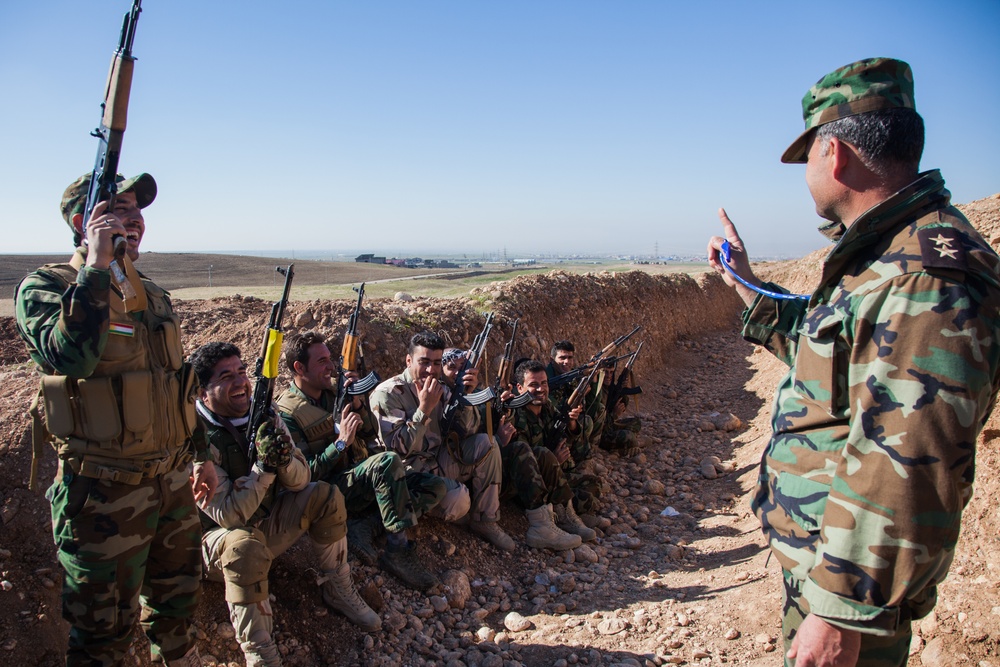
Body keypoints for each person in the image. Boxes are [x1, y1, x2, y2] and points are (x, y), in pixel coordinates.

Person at [706, 57, 1000, 667]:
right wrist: (743, 281)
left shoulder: (926, 277)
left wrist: (842, 612)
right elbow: (832, 362)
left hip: (851, 599)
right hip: (831, 574)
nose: (806, 173)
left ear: (834, 154)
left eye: (808, 154)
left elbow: (907, 458)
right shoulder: (884, 257)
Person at [14, 172, 215, 666]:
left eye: (137, 211)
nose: (135, 221)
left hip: (170, 485)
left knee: (177, 609)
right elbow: (71, 357)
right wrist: (97, 268)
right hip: (103, 495)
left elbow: (177, 385)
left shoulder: (152, 294)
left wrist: (202, 455)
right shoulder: (46, 288)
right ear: (85, 224)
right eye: (118, 212)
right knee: (103, 635)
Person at [190, 342, 379, 666]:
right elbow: (228, 515)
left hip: (264, 525)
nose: (240, 382)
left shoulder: (263, 414)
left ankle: (338, 587)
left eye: (241, 372)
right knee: (243, 544)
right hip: (215, 546)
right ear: (203, 393)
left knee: (325, 495)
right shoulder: (195, 438)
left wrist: (282, 460)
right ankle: (261, 654)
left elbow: (301, 480)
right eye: (226, 376)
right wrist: (264, 468)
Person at [274, 330, 446, 591]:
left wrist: (357, 404)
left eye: (330, 359)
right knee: (387, 461)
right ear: (299, 367)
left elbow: (367, 434)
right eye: (322, 362)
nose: (331, 367)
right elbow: (303, 475)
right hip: (328, 491)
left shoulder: (333, 393)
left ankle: (365, 524)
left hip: (358, 479)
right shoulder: (287, 413)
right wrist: (340, 443)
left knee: (434, 486)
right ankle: (398, 550)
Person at [369, 331, 515, 551]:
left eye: (436, 363)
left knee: (487, 443)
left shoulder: (441, 388)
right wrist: (424, 410)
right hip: (406, 473)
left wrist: (466, 395)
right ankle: (418, 515)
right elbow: (398, 449)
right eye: (424, 362)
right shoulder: (388, 393)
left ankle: (485, 520)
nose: (431, 370)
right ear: (408, 361)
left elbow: (468, 431)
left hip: (437, 460)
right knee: (459, 500)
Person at [440, 348, 590, 550]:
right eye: (452, 368)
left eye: (464, 367)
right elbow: (474, 438)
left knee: (545, 455)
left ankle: (562, 516)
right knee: (521, 448)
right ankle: (540, 525)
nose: (460, 373)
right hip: (475, 480)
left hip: (495, 471)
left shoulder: (477, 395)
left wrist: (571, 424)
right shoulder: (440, 396)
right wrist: (500, 438)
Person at [510, 360, 603, 520]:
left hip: (557, 473)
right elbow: (523, 465)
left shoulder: (547, 407)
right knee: (585, 499)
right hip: (532, 483)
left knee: (593, 484)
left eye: (544, 383)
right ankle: (563, 514)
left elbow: (567, 439)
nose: (541, 389)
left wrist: (572, 424)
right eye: (534, 385)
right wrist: (554, 461)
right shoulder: (517, 417)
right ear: (520, 388)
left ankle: (565, 506)